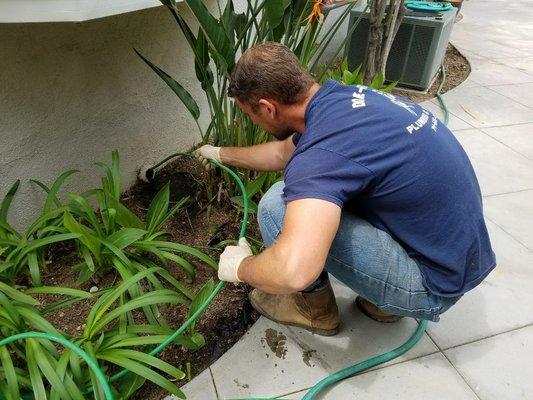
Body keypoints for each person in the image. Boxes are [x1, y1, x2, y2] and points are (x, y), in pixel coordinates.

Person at [194, 42, 496, 336]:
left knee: (277, 205)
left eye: (250, 115)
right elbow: (281, 153)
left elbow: (293, 270)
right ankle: (387, 302)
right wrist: (220, 154)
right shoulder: (340, 101)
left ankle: (316, 312)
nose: (254, 121)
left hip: (432, 286)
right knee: (337, 196)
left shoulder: (321, 154)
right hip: (458, 258)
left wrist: (240, 267)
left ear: (267, 107)